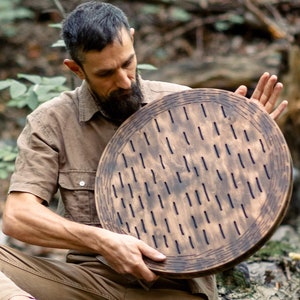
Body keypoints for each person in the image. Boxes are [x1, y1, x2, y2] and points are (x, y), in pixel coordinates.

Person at [0, 1, 288, 300]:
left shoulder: (187, 107)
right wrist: (104, 242)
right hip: (86, 283)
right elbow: (19, 216)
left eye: (127, 63)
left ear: (133, 41)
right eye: (105, 73)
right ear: (76, 69)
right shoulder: (52, 121)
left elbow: (243, 215)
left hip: (171, 288)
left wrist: (247, 152)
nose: (124, 81)